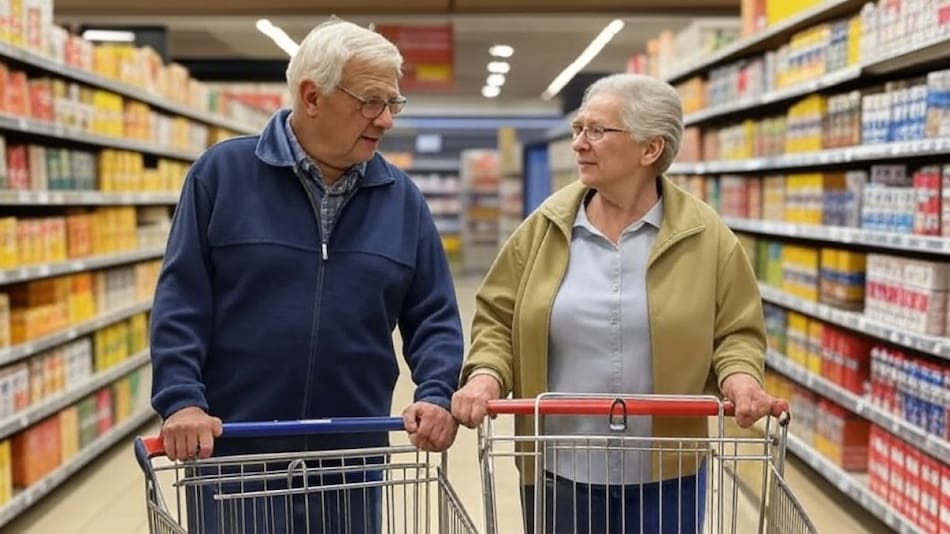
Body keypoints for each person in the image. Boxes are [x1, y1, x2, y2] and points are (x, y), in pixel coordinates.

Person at [149, 17, 464, 533]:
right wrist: (181, 399)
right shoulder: (222, 175)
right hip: (235, 451)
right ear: (312, 96)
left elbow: (433, 314)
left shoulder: (400, 197)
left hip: (351, 456)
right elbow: (182, 301)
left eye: (393, 104)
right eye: (370, 101)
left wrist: (434, 392)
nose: (385, 120)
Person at [451, 73, 789, 534]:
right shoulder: (544, 229)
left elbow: (735, 332)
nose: (579, 144)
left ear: (650, 149)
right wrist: (487, 376)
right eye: (577, 129)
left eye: (596, 131)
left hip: (669, 473)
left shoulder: (707, 238)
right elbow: (497, 319)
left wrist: (741, 378)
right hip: (559, 471)